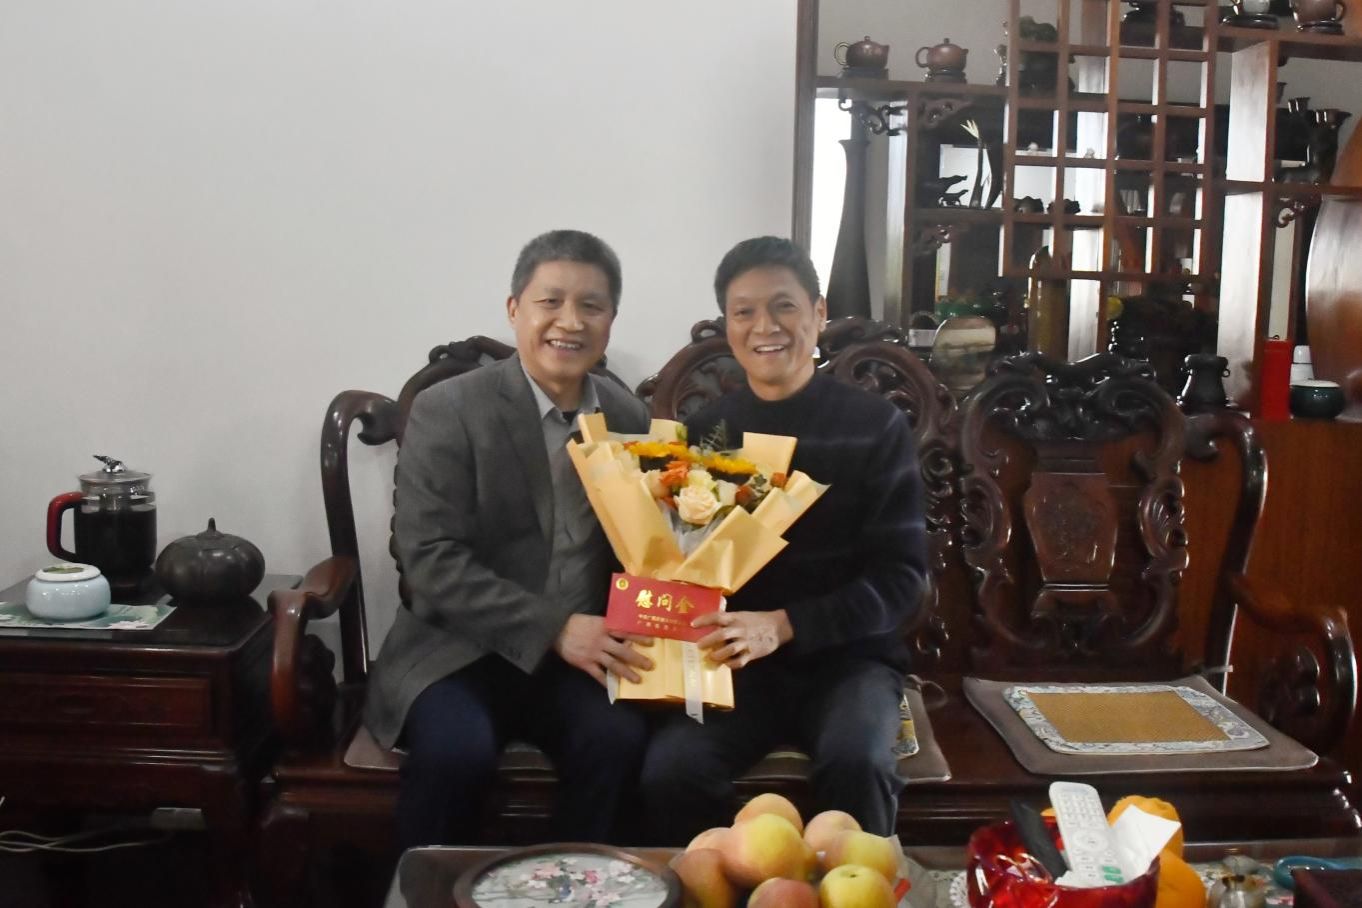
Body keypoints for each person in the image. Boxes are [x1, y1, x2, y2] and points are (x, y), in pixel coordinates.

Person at [365, 229, 655, 849]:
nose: (569, 322)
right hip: (457, 651)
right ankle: (426, 890)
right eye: (550, 302)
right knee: (457, 753)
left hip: (576, 662)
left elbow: (647, 547)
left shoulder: (630, 419)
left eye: (591, 306)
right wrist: (554, 628)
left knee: (618, 740)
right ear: (514, 308)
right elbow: (430, 561)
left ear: (610, 321)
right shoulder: (449, 408)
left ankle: (581, 885)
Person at [639, 236, 929, 842]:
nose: (764, 327)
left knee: (857, 761)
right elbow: (678, 567)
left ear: (819, 313)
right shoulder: (707, 434)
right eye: (744, 312)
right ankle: (714, 880)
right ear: (727, 325)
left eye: (784, 307)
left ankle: (856, 882)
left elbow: (903, 580)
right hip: (738, 668)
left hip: (850, 662)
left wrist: (785, 624)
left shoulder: (875, 426)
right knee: (671, 770)